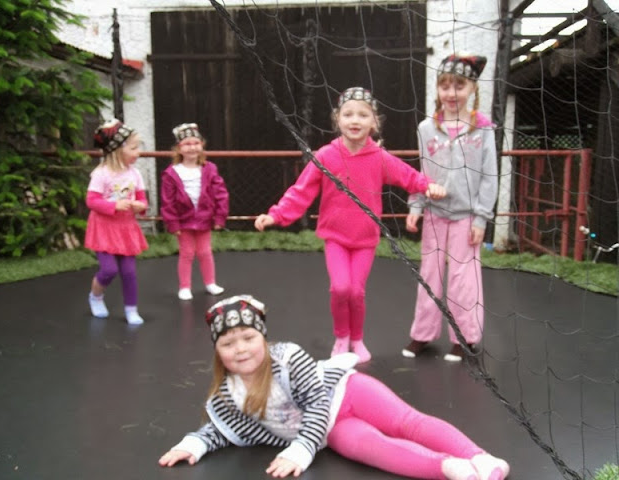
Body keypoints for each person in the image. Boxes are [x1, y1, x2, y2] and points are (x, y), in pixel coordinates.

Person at [158, 294, 510, 480]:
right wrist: (193, 445)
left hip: (347, 392)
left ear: (262, 338)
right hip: (331, 431)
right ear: (217, 352)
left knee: (407, 423)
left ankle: (481, 457)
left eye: (248, 338)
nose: (240, 349)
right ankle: (451, 469)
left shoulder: (287, 357)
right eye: (228, 343)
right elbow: (220, 430)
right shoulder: (227, 394)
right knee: (376, 449)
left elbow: (316, 403)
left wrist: (299, 451)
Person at [254, 87, 446, 363]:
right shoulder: (326, 156)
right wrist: (276, 215)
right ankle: (341, 336)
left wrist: (429, 186)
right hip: (335, 236)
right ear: (338, 119)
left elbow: (408, 176)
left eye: (363, 115)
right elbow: (301, 191)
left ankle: (357, 338)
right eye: (348, 114)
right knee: (340, 288)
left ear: (374, 122)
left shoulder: (379, 158)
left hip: (365, 238)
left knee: (356, 292)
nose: (355, 120)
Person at [403, 54, 498, 362]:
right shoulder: (426, 128)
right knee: (430, 274)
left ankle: (464, 338)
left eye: (459, 86)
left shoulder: (483, 130)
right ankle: (422, 334)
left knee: (463, 279)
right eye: (445, 86)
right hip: (434, 213)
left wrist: (481, 218)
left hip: (467, 216)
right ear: (438, 89)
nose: (451, 93)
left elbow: (489, 176)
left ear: (472, 88)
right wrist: (416, 205)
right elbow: (422, 172)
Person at [85, 119, 149, 325]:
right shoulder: (101, 174)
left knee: (129, 272)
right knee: (109, 270)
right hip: (104, 228)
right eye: (133, 148)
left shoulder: (135, 174)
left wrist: (140, 206)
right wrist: (113, 206)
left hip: (125, 227)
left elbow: (142, 199)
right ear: (117, 150)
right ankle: (96, 296)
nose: (138, 152)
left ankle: (131, 309)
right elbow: (91, 201)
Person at [160, 123, 229, 301]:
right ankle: (185, 286)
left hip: (204, 218)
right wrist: (172, 223)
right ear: (178, 148)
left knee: (205, 252)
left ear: (202, 145)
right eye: (187, 144)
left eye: (196, 143)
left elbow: (220, 193)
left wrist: (220, 217)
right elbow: (167, 201)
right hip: (183, 220)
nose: (192, 147)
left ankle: (210, 283)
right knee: (187, 253)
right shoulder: (171, 173)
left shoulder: (209, 169)